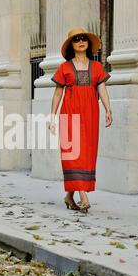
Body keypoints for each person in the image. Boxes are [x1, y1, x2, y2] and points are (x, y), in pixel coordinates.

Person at [48, 27, 113, 214]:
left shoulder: (97, 67)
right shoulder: (65, 68)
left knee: (87, 153)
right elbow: (58, 92)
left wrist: (108, 109)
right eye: (76, 39)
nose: (81, 41)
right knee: (72, 153)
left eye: (84, 38)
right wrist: (52, 116)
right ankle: (83, 195)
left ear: (88, 44)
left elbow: (102, 90)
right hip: (69, 115)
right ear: (72, 45)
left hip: (90, 115)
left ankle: (69, 196)